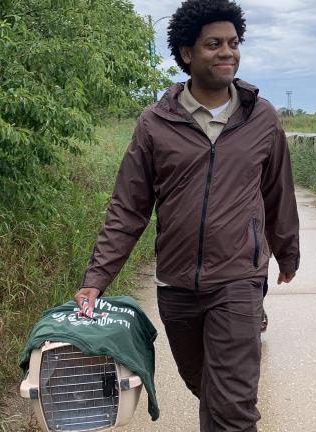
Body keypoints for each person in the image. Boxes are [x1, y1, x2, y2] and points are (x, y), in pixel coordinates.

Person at [74, 0, 300, 429]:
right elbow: (129, 207)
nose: (227, 52)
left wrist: (287, 253)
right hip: (176, 284)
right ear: (186, 54)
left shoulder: (262, 118)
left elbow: (278, 195)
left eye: (233, 43)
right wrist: (95, 279)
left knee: (232, 404)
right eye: (214, 44)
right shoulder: (156, 123)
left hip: (238, 278)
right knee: (203, 386)